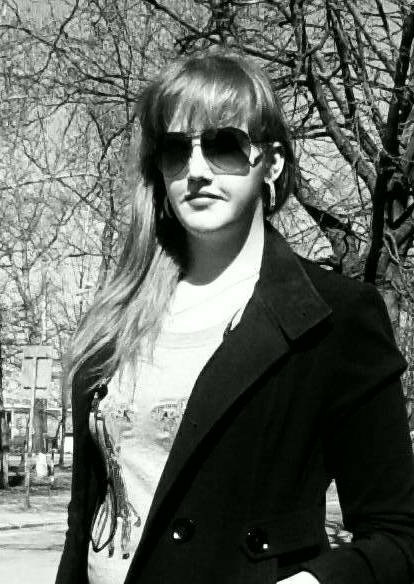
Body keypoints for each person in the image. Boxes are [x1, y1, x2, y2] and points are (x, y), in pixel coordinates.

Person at [56, 51, 414, 584]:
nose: (196, 170)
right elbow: (87, 517)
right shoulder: (118, 316)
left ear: (272, 163)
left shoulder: (334, 319)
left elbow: (398, 536)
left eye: (224, 145)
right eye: (176, 150)